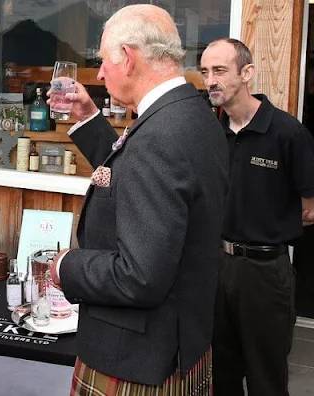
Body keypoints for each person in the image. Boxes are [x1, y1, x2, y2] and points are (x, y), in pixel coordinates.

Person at [47, 4, 228, 394]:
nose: (98, 73)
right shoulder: (192, 114)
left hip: (137, 359)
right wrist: (90, 117)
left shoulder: (160, 135)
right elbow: (139, 179)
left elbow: (139, 278)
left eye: (103, 61)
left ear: (128, 58)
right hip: (181, 346)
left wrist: (66, 267)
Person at [200, 38, 314, 396]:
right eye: (204, 72)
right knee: (221, 375)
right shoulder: (209, 131)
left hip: (265, 273)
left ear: (247, 73)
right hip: (216, 267)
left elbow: (309, 207)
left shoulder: (288, 133)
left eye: (219, 70)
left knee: (266, 379)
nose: (210, 80)